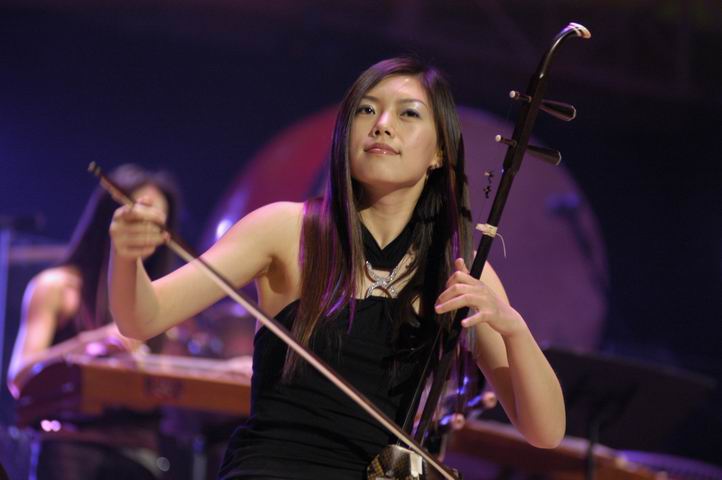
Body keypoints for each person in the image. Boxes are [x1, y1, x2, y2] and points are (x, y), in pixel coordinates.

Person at [109, 57, 566, 479]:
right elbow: (142, 318)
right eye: (367, 110)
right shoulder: (285, 229)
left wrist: (513, 328)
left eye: (408, 113)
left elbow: (545, 431)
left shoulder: (459, 272)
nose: (382, 125)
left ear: (439, 153)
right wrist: (126, 256)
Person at [7, 164, 181, 480]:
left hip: (139, 449)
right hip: (69, 439)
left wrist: (224, 370)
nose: (149, 228)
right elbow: (19, 376)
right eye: (140, 215)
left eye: (158, 221)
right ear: (109, 216)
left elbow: (176, 385)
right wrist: (90, 343)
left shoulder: (164, 299)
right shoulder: (57, 286)